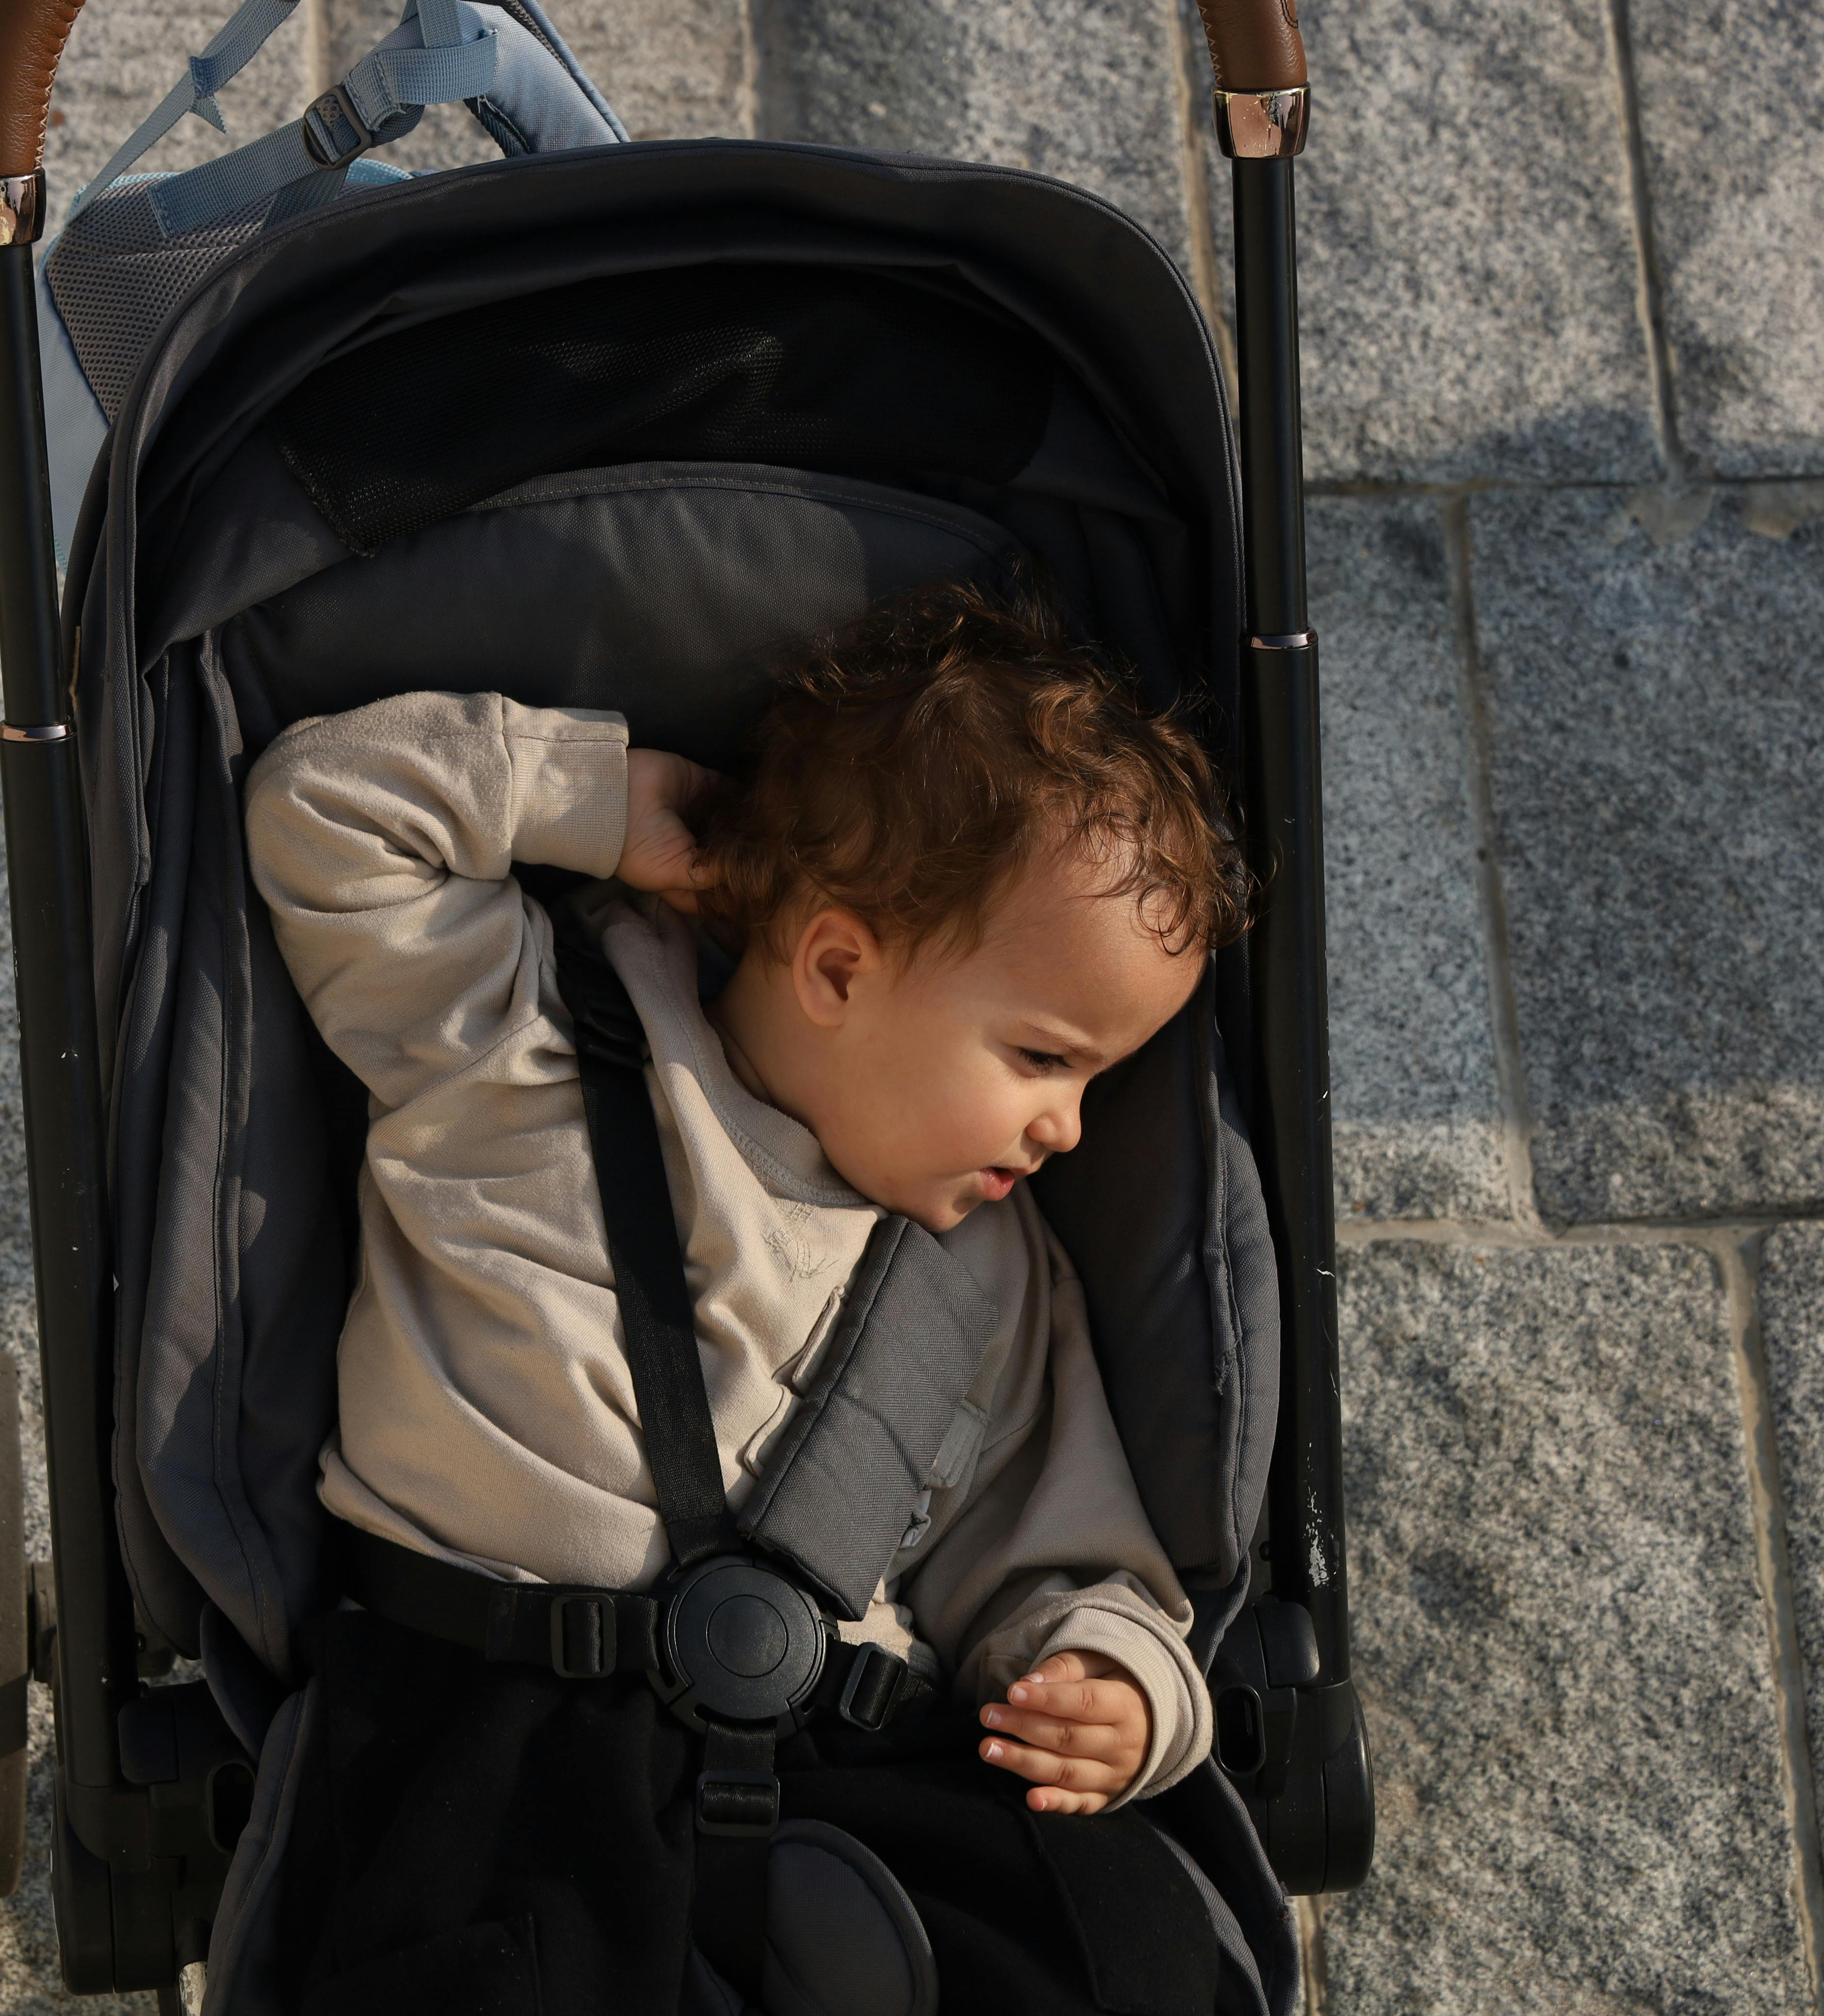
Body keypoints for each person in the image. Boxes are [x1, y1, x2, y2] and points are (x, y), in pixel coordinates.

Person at [237, 579, 1257, 2016]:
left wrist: (1114, 1677)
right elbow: (326, 810)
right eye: (1044, 1059)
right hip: (493, 1729)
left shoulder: (989, 1278)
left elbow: (1050, 1545)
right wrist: (599, 802)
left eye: (1097, 1080)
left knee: (1129, 1942)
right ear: (837, 965)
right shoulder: (523, 1048)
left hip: (837, 1752)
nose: (1069, 1128)